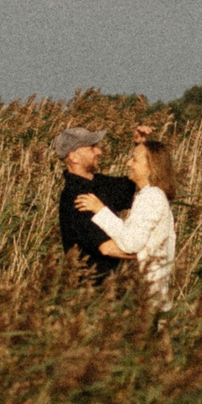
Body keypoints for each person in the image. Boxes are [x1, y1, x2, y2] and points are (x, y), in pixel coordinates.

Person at [76, 124, 176, 309]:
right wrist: (141, 144)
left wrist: (100, 210)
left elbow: (130, 243)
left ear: (151, 167)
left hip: (148, 297)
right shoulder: (150, 194)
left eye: (134, 160)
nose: (128, 163)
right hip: (149, 295)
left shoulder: (152, 197)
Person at [53, 125, 136, 280]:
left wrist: (141, 144)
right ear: (74, 157)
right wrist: (149, 253)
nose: (99, 152)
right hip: (93, 291)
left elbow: (137, 185)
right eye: (92, 148)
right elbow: (107, 248)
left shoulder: (98, 183)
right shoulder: (76, 198)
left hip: (113, 286)